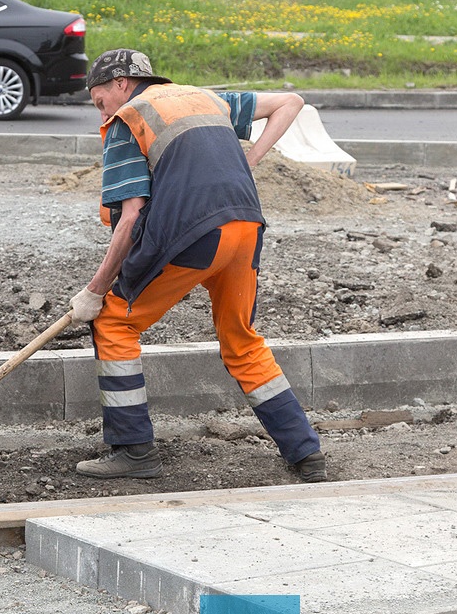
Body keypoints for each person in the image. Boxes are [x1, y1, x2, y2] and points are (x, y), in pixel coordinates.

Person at [68, 48, 326, 483]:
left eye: (100, 102)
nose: (102, 112)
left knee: (113, 321)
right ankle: (305, 452)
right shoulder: (206, 98)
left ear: (119, 84)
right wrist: (253, 157)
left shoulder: (129, 118)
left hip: (194, 235)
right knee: (242, 340)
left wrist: (94, 292)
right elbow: (291, 102)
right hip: (245, 227)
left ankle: (134, 452)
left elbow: (130, 218)